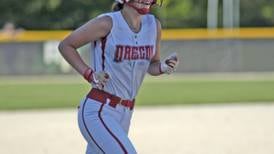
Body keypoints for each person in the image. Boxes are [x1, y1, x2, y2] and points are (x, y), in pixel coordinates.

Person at [58, 0, 179, 153]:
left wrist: (163, 67)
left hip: (125, 114)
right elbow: (66, 45)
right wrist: (90, 74)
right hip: (98, 111)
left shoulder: (154, 26)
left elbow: (152, 65)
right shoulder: (107, 22)